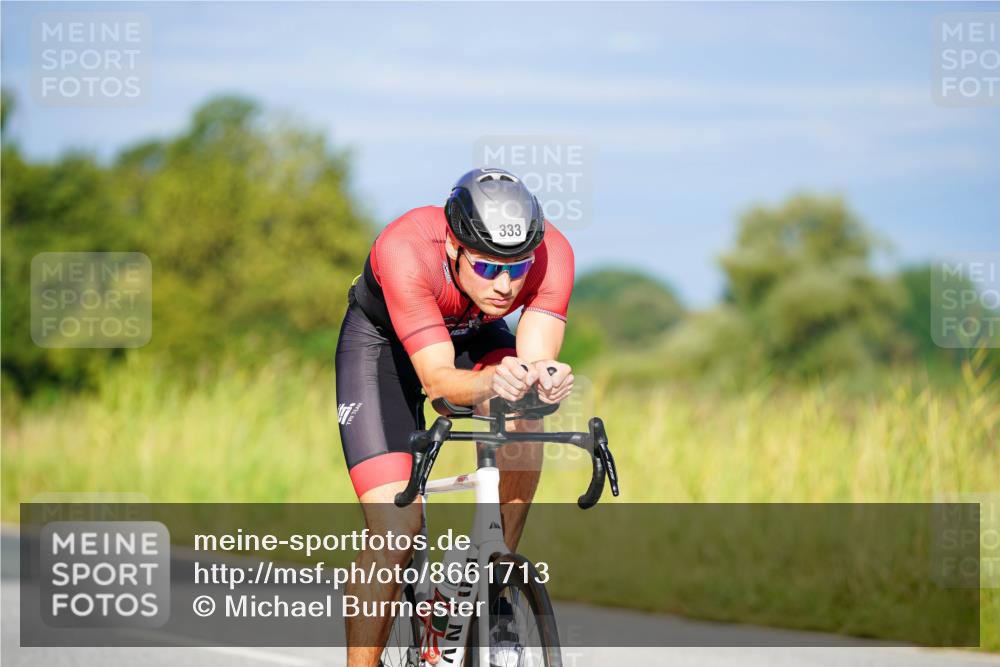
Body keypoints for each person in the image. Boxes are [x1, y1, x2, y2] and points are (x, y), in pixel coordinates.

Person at [335, 167, 575, 665]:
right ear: (453, 247)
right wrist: (492, 382)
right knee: (395, 530)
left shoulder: (554, 255)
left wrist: (544, 380)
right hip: (384, 350)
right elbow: (439, 381)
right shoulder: (406, 248)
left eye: (518, 266)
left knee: (524, 405)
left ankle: (498, 585)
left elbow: (533, 363)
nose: (506, 286)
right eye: (488, 269)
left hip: (473, 336)